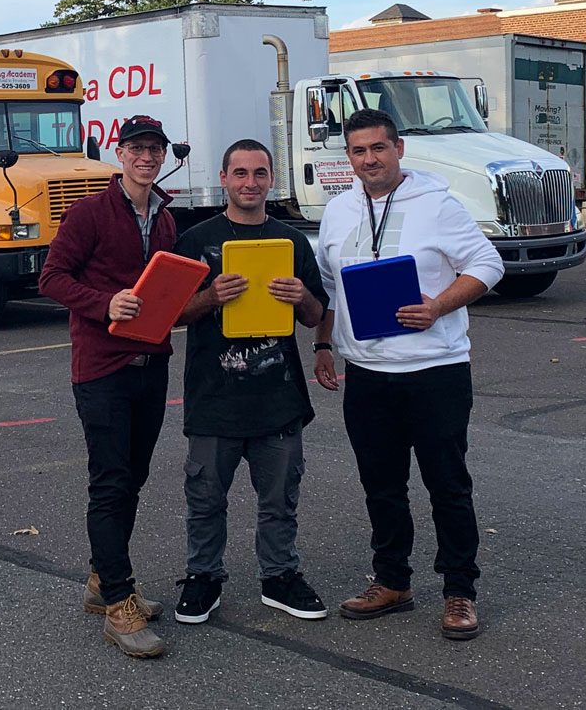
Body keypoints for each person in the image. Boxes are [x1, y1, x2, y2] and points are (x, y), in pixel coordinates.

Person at [312, 108, 503, 641]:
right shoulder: (337, 211)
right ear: (347, 157)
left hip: (435, 371)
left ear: (399, 149)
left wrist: (439, 306)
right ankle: (392, 581)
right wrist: (324, 344)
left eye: (378, 147)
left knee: (448, 485)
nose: (369, 159)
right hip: (367, 374)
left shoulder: (438, 205)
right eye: (358, 150)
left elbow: (487, 264)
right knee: (382, 486)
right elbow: (330, 286)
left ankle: (459, 591)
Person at [171, 139, 330, 624]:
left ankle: (280, 576)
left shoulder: (292, 241)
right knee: (205, 500)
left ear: (272, 179)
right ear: (223, 179)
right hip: (213, 398)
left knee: (280, 501)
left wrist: (302, 295)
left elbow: (316, 315)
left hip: (277, 398)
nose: (250, 183)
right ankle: (204, 578)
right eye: (240, 173)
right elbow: (171, 314)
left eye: (259, 174)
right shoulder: (195, 241)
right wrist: (209, 297)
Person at [38, 115, 177, 659]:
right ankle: (119, 603)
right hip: (102, 367)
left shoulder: (164, 215)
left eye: (155, 150)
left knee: (134, 477)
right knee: (111, 480)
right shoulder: (90, 212)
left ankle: (103, 580)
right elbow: (52, 277)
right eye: (138, 148)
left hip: (152, 363)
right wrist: (104, 304)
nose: (146, 157)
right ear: (120, 153)